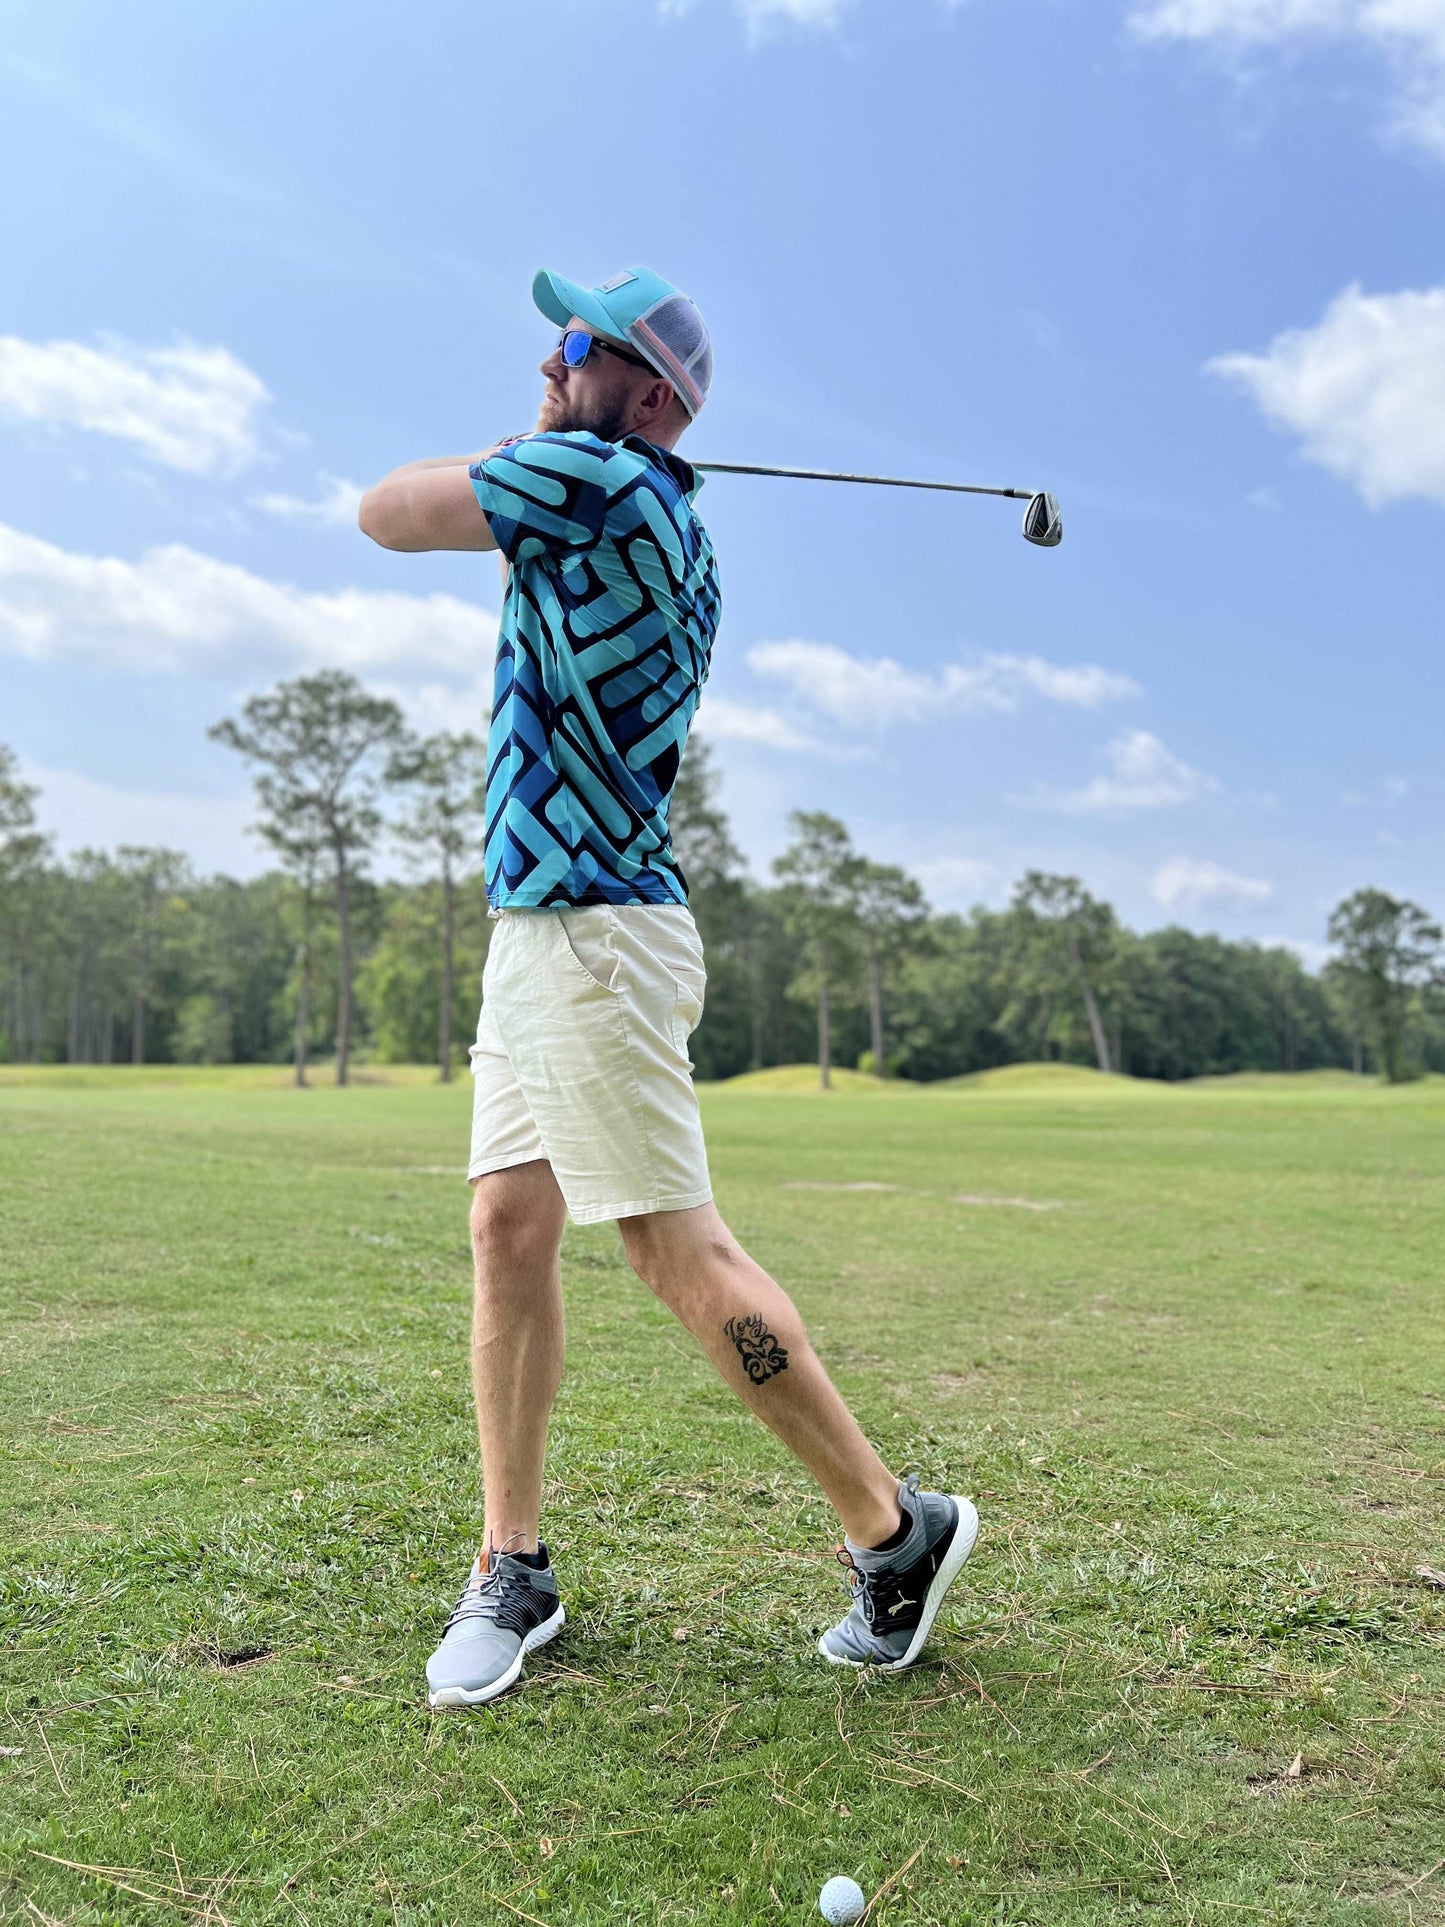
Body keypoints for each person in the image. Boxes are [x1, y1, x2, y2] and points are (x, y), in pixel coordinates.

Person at [358, 266, 978, 1708]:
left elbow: (383, 511)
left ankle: (892, 1531)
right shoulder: (636, 501)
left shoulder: (589, 479)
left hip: (592, 935)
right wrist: (567, 427)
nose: (545, 353)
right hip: (548, 931)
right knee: (508, 1227)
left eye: (572, 343)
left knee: (672, 1254)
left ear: (642, 397)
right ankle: (512, 1563)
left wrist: (544, 438)